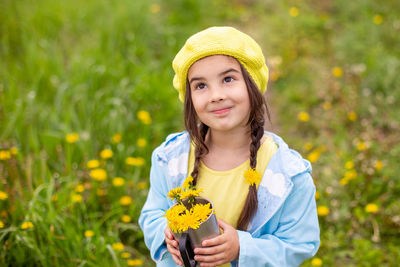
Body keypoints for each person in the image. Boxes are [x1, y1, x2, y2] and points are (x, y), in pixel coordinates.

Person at [139, 26, 320, 267]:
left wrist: (241, 249)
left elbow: (299, 244)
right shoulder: (170, 158)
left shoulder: (288, 174)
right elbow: (152, 214)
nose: (215, 95)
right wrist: (166, 232)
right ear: (190, 98)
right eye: (200, 86)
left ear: (253, 85)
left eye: (228, 79)